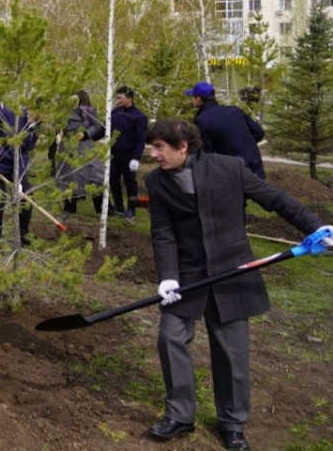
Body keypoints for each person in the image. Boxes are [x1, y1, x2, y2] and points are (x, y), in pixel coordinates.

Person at [142, 118, 327, 450]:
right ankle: (180, 415)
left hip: (232, 270)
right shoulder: (156, 182)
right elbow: (163, 232)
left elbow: (276, 199)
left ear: (182, 146)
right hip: (187, 274)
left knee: (231, 353)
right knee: (170, 337)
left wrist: (315, 226)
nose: (153, 154)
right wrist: (167, 275)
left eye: (159, 147)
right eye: (152, 146)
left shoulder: (229, 168)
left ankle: (232, 424)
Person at [0, 99, 37, 244]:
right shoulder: (11, 115)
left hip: (14, 167)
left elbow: (24, 153)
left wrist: (20, 179)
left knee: (28, 195)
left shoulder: (36, 128)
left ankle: (22, 235)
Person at [186, 81, 266, 180]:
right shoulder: (234, 110)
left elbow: (207, 155)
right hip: (256, 164)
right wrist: (245, 145)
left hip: (234, 169)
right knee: (260, 194)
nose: (191, 100)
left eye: (192, 97)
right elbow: (259, 133)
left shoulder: (201, 120)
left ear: (198, 98)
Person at [56, 90, 106, 219]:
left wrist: (85, 134)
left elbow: (98, 126)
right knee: (69, 176)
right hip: (68, 147)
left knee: (95, 175)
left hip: (85, 146)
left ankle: (102, 208)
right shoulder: (64, 112)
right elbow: (57, 125)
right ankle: (69, 208)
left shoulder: (88, 112)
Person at [110, 85, 148, 219]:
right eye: (117, 98)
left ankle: (131, 209)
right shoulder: (114, 113)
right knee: (113, 180)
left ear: (129, 98)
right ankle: (119, 207)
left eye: (120, 98)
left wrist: (136, 158)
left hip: (129, 154)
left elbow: (140, 139)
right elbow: (104, 128)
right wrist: (87, 135)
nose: (118, 100)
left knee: (130, 182)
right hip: (114, 153)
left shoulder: (138, 116)